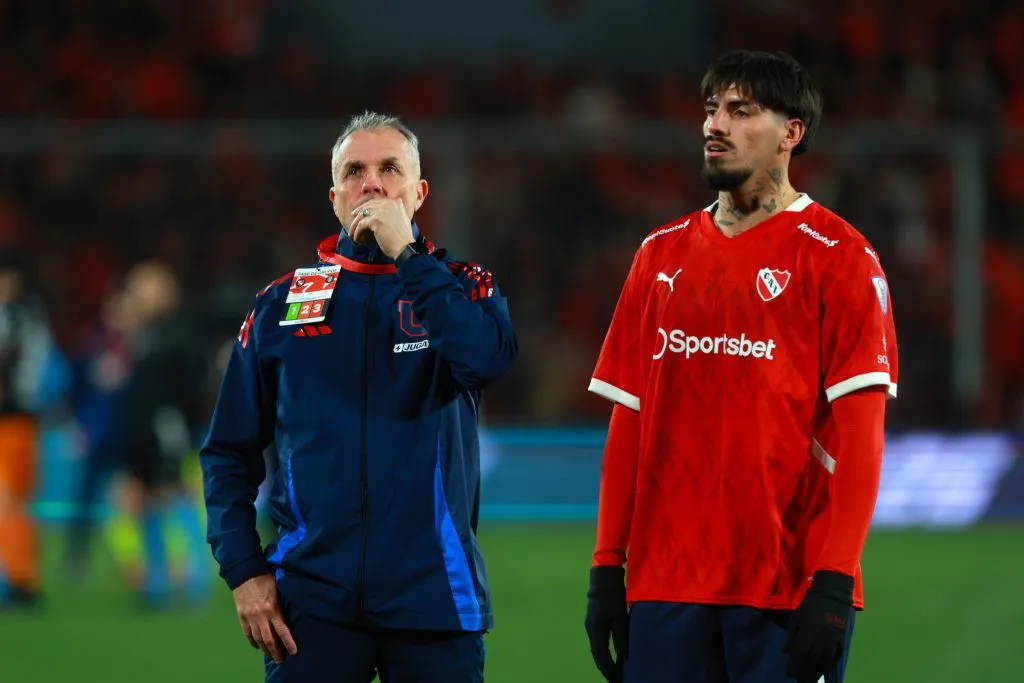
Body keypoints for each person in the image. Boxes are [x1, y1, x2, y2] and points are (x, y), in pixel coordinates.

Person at [584, 50, 899, 683]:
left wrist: (835, 578)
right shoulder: (658, 256)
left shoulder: (841, 257)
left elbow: (862, 435)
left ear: (791, 133)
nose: (714, 125)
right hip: (665, 586)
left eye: (740, 110)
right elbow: (630, 422)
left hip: (786, 588)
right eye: (710, 109)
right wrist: (605, 567)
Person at [201, 111, 517, 683]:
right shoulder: (282, 304)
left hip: (436, 599)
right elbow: (227, 451)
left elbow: (484, 360)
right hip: (310, 605)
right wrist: (244, 571)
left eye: (389, 169)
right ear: (334, 197)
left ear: (418, 194)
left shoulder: (466, 285)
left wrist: (410, 260)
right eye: (354, 171)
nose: (371, 183)